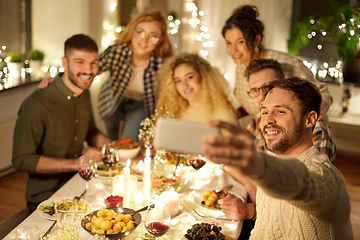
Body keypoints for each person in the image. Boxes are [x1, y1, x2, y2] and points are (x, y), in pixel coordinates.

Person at [203, 78, 353, 239]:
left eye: (280, 111)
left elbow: (302, 184)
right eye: (265, 112)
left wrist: (260, 165)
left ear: (309, 119)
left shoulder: (327, 177)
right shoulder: (271, 173)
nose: (267, 121)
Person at [12, 34, 111, 212]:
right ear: (65, 62)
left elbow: (90, 131)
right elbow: (21, 160)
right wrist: (77, 163)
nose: (89, 70)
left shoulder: (84, 92)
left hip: (79, 188)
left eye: (93, 63)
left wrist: (112, 146)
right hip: (45, 200)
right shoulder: (37, 103)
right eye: (80, 62)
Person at [222, 5, 332, 120]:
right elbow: (253, 105)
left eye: (240, 42)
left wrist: (316, 118)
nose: (233, 50)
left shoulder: (286, 63)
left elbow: (322, 94)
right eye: (228, 43)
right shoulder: (240, 70)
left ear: (256, 40)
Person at [98, 10, 173, 141]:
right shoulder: (116, 52)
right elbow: (90, 70)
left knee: (127, 143)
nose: (144, 40)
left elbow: (169, 96)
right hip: (112, 101)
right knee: (112, 143)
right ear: (133, 31)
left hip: (140, 105)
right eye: (140, 32)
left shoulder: (162, 65)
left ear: (160, 40)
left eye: (153, 35)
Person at [246, 59, 336, 162]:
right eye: (255, 90)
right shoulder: (258, 121)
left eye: (266, 87)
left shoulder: (315, 128)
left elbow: (313, 174)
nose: (262, 96)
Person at [155, 53, 238, 127]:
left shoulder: (224, 114)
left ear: (203, 77)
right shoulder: (173, 114)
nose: (184, 85)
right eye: (178, 80)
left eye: (190, 77)